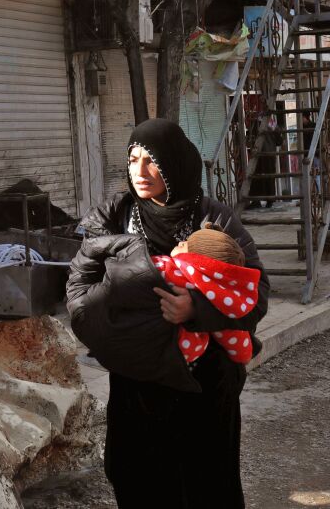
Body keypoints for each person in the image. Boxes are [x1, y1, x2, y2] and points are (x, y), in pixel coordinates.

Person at [66, 118, 270, 509]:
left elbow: (255, 292)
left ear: (175, 162)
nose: (139, 172)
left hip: (206, 382)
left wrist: (196, 309)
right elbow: (83, 288)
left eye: (151, 161)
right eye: (132, 160)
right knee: (137, 477)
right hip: (138, 380)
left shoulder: (215, 219)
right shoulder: (112, 217)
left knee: (208, 481)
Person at [153, 222, 261, 364]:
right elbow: (234, 337)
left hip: (150, 339)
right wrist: (244, 356)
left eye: (186, 245)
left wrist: (194, 310)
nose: (181, 242)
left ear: (196, 259)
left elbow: (134, 269)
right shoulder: (220, 295)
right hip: (184, 353)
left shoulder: (169, 267)